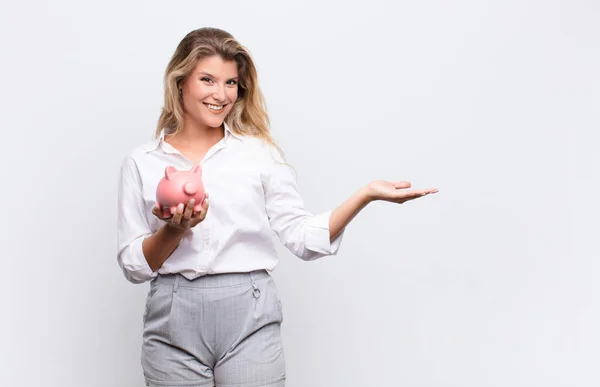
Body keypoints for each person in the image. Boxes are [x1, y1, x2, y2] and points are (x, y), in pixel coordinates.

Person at [117, 27, 438, 387]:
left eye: (230, 83)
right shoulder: (142, 162)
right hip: (172, 316)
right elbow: (134, 266)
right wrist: (174, 230)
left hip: (249, 314)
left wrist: (363, 196)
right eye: (207, 79)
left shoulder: (259, 155)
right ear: (180, 82)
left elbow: (303, 239)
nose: (220, 95)